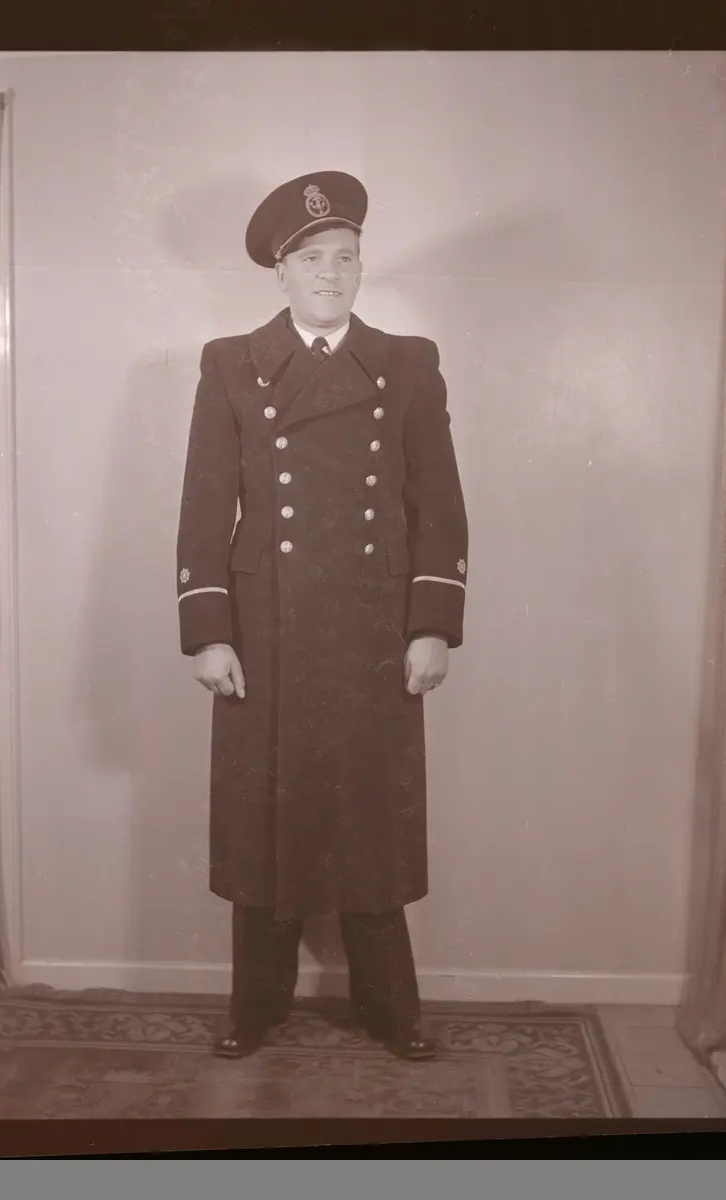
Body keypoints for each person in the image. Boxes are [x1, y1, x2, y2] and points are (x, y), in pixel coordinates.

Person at [176, 171, 468, 1060]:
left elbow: (438, 505)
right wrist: (209, 632)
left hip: (373, 629)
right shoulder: (231, 362)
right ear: (280, 271)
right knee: (263, 819)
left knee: (370, 818)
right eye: (311, 259)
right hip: (264, 627)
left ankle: (390, 1011)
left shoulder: (407, 362)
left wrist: (430, 625)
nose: (330, 274)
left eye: (344, 257)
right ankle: (254, 1009)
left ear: (360, 267)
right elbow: (204, 505)